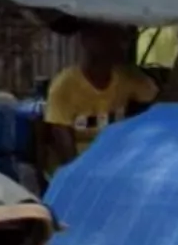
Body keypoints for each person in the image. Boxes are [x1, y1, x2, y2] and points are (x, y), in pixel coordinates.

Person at [40, 22, 156, 170]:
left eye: (123, 38)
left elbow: (162, 108)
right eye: (110, 37)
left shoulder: (129, 77)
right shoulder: (64, 86)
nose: (122, 45)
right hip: (81, 167)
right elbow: (67, 154)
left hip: (118, 163)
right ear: (87, 40)